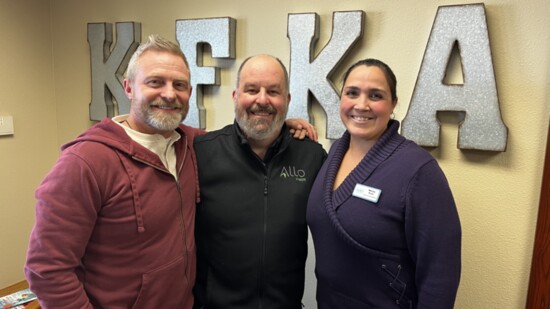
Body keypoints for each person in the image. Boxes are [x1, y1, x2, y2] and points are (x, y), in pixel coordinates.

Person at [24, 35, 315, 309]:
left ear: (189, 92)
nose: (168, 94)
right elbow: (47, 269)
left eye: (179, 84)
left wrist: (281, 125)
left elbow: (249, 131)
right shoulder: (84, 162)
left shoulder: (190, 145)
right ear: (128, 87)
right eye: (155, 82)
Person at [307, 58, 461, 308]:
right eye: (352, 93)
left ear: (393, 104)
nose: (362, 104)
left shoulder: (418, 170)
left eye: (375, 95)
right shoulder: (334, 152)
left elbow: (440, 272)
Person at [193, 54, 326, 309]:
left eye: (273, 91)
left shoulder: (312, 157)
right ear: (235, 97)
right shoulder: (201, 153)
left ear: (286, 101)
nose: (262, 100)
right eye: (251, 90)